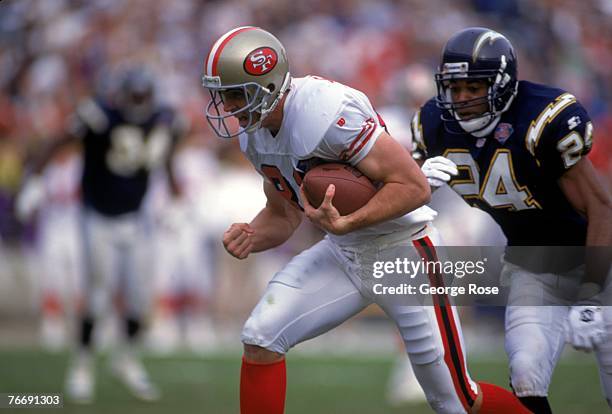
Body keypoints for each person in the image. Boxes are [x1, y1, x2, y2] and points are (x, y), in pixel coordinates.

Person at [202, 26, 530, 414]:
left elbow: (412, 187)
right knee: (261, 337)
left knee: (457, 399)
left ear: (268, 83)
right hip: (344, 252)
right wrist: (253, 234)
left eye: (237, 94)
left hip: (404, 252)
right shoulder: (254, 135)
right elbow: (282, 213)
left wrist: (351, 220)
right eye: (224, 96)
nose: (229, 107)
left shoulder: (324, 112)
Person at [412, 27, 612, 413]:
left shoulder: (542, 117)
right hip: (535, 262)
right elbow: (404, 198)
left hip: (600, 260)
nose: (463, 99)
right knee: (525, 375)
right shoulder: (434, 126)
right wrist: (417, 185)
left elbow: (600, 207)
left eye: (474, 88)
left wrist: (592, 294)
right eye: (455, 89)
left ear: (502, 85)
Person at [16, 67, 187, 403]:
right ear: (122, 95)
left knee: (139, 297)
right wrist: (35, 180)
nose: (138, 103)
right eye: (133, 96)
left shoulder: (164, 121)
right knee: (97, 296)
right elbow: (55, 143)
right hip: (97, 217)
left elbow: (164, 158)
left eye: (143, 97)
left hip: (137, 219)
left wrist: (177, 199)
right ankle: (81, 366)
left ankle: (126, 359)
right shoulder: (99, 116)